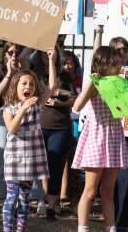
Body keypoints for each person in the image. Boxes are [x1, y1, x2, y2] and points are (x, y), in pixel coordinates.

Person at [72, 46, 128, 232]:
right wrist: (90, 85)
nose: (120, 64)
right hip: (97, 136)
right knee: (90, 190)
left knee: (108, 191)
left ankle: (110, 228)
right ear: (106, 63)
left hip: (114, 136)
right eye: (116, 61)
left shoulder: (119, 82)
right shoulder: (95, 82)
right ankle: (83, 228)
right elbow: (77, 107)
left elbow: (124, 111)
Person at [0, 47, 57, 232]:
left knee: (25, 198)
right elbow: (11, 128)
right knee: (11, 197)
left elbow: (52, 87)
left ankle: (20, 229)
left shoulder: (37, 104)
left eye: (31, 84)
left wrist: (51, 61)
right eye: (24, 83)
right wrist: (23, 108)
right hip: (14, 159)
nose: (28, 87)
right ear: (15, 86)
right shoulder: (8, 108)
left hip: (31, 158)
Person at [31, 48, 76, 221]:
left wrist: (58, 100)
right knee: (41, 167)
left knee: (56, 167)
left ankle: (52, 207)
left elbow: (73, 99)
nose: (46, 55)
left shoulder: (64, 75)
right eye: (43, 52)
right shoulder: (34, 75)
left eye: (50, 52)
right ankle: (42, 200)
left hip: (61, 127)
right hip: (40, 125)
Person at [61, 50, 83, 215]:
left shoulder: (80, 81)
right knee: (59, 163)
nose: (68, 66)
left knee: (75, 163)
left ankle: (74, 200)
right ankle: (59, 197)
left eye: (71, 63)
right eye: (65, 63)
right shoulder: (57, 80)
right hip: (60, 125)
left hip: (77, 126)